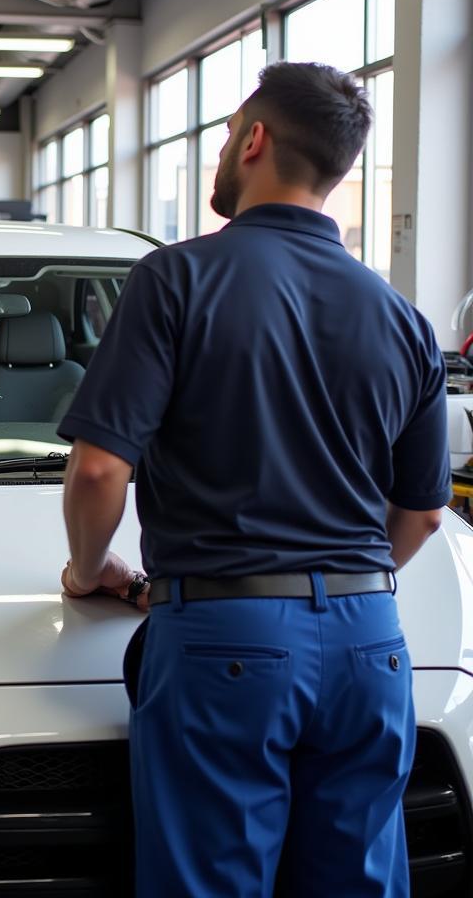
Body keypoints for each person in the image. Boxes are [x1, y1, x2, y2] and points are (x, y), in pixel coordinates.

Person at [58, 62, 450, 897]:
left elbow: (98, 470)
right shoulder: (403, 319)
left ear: (253, 139)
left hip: (223, 643)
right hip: (371, 643)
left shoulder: (177, 278)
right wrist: (338, 589)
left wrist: (90, 572)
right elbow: (419, 518)